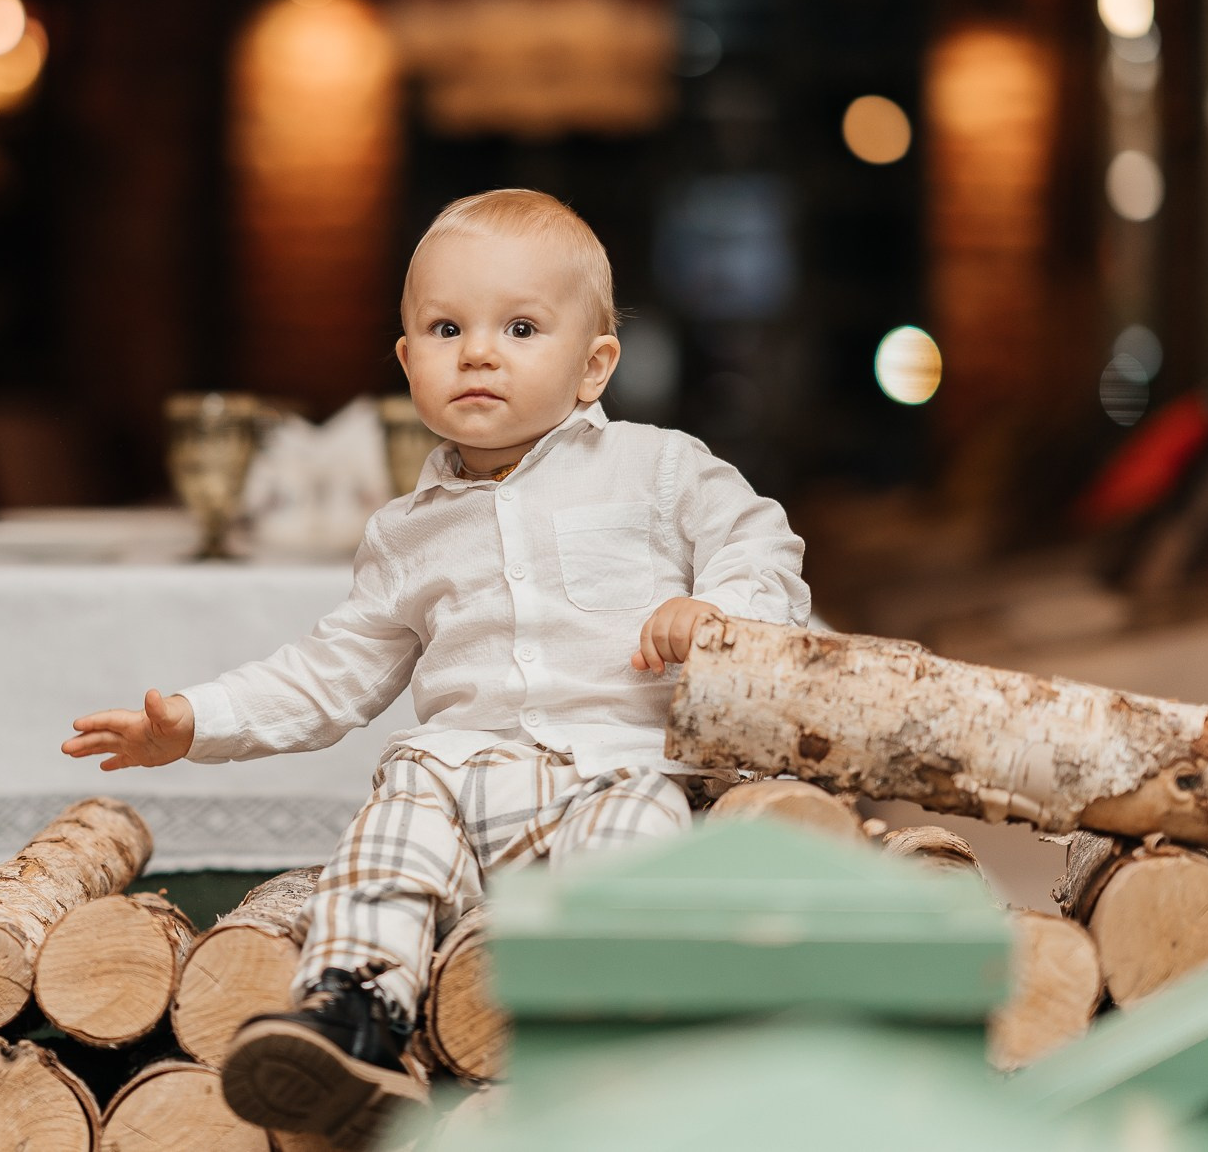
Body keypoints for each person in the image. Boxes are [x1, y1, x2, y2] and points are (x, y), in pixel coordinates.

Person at [62, 189, 810, 1147]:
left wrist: (721, 615)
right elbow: (332, 671)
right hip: (463, 777)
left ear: (595, 366)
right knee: (388, 831)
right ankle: (354, 1018)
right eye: (446, 327)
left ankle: (595, 1027)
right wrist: (195, 722)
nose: (480, 351)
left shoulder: (655, 468)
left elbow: (763, 539)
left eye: (522, 327)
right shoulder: (406, 531)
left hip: (618, 765)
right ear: (408, 361)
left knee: (634, 838)